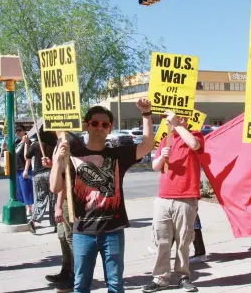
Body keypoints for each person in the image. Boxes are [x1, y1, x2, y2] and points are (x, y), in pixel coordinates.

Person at [50, 99, 155, 293]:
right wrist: (57, 161)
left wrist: (146, 114)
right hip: (83, 231)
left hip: (113, 230)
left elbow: (148, 144)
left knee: (115, 284)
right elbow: (55, 187)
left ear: (110, 128)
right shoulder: (73, 155)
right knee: (81, 285)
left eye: (104, 124)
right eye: (95, 123)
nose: (100, 127)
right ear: (86, 125)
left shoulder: (118, 155)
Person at [142, 110, 204, 293]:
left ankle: (183, 277)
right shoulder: (165, 141)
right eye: (177, 117)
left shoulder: (195, 136)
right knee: (162, 241)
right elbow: (155, 167)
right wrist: (162, 156)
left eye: (183, 117)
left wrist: (176, 124)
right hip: (163, 198)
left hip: (186, 198)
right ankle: (160, 278)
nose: (179, 119)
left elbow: (194, 145)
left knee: (183, 241)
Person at [43, 132, 86, 292]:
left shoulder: (69, 141)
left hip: (69, 197)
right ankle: (66, 270)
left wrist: (59, 205)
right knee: (62, 235)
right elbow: (60, 170)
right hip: (63, 196)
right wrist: (52, 164)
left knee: (70, 237)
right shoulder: (60, 141)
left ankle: (76, 275)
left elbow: (68, 175)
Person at [25, 127, 58, 234]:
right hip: (52, 172)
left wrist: (26, 143)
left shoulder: (36, 144)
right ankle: (56, 223)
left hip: (38, 174)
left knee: (40, 199)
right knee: (54, 199)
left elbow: (27, 156)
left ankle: (33, 220)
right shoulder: (55, 144)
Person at [14, 124, 34, 215]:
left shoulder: (27, 142)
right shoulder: (17, 142)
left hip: (24, 169)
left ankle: (29, 208)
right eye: (16, 130)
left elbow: (28, 157)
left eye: (19, 130)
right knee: (20, 191)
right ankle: (24, 207)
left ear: (24, 131)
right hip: (17, 169)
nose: (17, 132)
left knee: (26, 190)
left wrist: (26, 170)